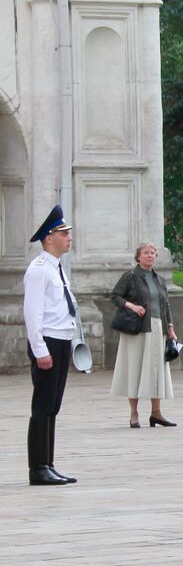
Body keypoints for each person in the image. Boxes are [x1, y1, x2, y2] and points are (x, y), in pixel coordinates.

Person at [23, 206, 79, 485]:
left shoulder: (56, 269)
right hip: (48, 342)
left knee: (53, 406)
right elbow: (32, 314)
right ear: (49, 238)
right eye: (63, 233)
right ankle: (37, 468)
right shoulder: (39, 270)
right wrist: (40, 349)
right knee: (43, 406)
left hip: (62, 340)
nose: (69, 237)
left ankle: (48, 463)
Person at [109, 242, 177, 428]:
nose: (150, 256)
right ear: (138, 257)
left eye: (153, 253)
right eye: (146, 253)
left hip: (157, 327)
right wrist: (131, 306)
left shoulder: (159, 279)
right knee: (135, 369)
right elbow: (115, 296)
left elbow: (166, 305)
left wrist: (170, 328)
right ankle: (134, 413)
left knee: (156, 370)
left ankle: (156, 412)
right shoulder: (131, 276)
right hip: (137, 329)